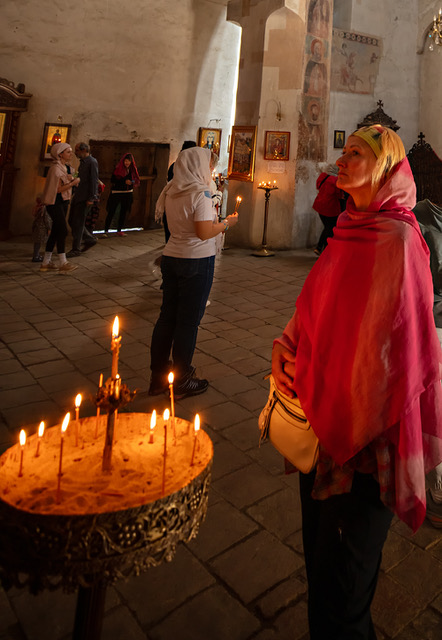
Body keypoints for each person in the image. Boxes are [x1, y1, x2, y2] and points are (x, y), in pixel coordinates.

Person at [271, 125, 442, 639]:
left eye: (354, 154)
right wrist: (287, 349)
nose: (340, 161)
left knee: (342, 599)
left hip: (368, 445)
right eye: (342, 152)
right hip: (319, 430)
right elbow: (312, 310)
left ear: (386, 167)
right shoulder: (346, 229)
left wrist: (343, 384)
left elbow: (404, 350)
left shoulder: (399, 239)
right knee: (321, 576)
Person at [149, 146, 239, 399]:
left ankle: (157, 378)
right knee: (188, 322)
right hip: (196, 260)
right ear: (198, 165)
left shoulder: (172, 191)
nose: (211, 169)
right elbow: (203, 232)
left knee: (167, 318)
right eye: (209, 164)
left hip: (172, 256)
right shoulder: (199, 193)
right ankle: (181, 380)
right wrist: (225, 224)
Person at [40, 142, 79, 273]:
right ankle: (63, 262)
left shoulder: (66, 167)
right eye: (68, 152)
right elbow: (57, 190)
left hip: (63, 202)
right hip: (55, 203)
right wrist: (73, 183)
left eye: (71, 151)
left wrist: (72, 178)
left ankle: (46, 262)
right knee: (62, 231)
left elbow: (70, 177)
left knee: (56, 232)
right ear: (60, 154)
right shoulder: (55, 169)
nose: (71, 154)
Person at [66, 143, 99, 257]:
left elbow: (94, 181)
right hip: (78, 196)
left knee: (78, 223)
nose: (75, 153)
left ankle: (76, 248)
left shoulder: (92, 162)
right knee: (71, 221)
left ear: (84, 150)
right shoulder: (83, 162)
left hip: (85, 197)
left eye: (77, 150)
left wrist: (91, 198)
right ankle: (89, 239)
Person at [312, 165, 346, 255]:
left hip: (320, 205)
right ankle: (321, 248)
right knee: (329, 228)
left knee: (327, 227)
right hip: (330, 207)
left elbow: (318, 187)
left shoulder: (323, 177)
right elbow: (339, 195)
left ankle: (322, 248)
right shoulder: (335, 181)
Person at [104, 153, 140, 236]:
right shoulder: (118, 169)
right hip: (117, 193)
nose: (127, 163)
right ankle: (106, 230)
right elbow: (113, 180)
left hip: (127, 193)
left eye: (128, 161)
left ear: (131, 162)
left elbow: (135, 180)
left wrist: (131, 182)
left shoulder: (132, 170)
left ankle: (119, 230)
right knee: (111, 211)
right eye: (125, 161)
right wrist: (124, 181)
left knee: (123, 211)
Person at [31, 197, 51, 262]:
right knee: (38, 243)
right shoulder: (43, 208)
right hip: (41, 228)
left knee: (37, 242)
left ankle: (36, 255)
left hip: (36, 227)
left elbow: (33, 214)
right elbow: (46, 219)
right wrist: (49, 228)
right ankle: (36, 256)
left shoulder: (37, 207)